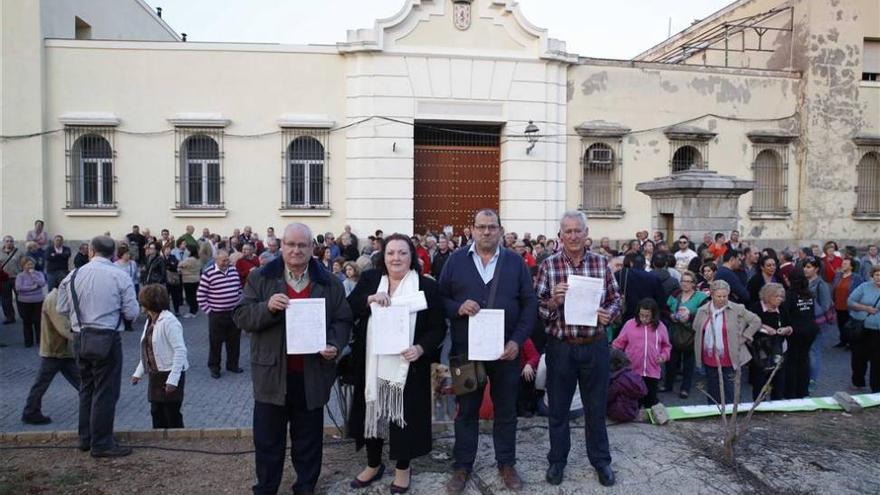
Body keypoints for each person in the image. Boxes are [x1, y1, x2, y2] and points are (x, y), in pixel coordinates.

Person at [233, 223, 352, 495]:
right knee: (267, 440)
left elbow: (343, 320)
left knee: (308, 441)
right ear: (280, 246)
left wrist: (334, 344)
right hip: (272, 375)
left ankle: (306, 487)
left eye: (302, 245)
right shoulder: (260, 278)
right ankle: (266, 488)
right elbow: (240, 316)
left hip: (310, 375)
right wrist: (267, 308)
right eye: (291, 244)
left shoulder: (328, 282)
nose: (296, 250)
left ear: (312, 248)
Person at [439, 209, 537, 493]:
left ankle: (506, 464)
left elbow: (529, 304)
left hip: (505, 353)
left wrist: (517, 341)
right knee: (465, 410)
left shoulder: (515, 263)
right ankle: (462, 467)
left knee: (506, 410)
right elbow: (440, 298)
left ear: (500, 230)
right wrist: (457, 307)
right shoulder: (455, 261)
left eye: (491, 227)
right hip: (465, 352)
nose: (486, 232)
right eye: (480, 227)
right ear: (471, 230)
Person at [346, 234, 445, 493]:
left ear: (411, 256)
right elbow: (349, 307)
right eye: (391, 253)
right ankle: (373, 464)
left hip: (408, 364)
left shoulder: (426, 286)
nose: (396, 258)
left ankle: (403, 468)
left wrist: (420, 348)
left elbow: (437, 328)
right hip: (372, 362)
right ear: (383, 256)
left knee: (403, 415)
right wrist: (369, 300)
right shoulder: (369, 280)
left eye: (402, 252)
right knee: (373, 412)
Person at [534, 210, 619, 488]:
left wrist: (609, 313)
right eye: (567, 231)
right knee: (558, 409)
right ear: (560, 236)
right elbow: (539, 308)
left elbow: (616, 298)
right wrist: (553, 304)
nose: (572, 236)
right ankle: (557, 461)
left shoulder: (601, 264)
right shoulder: (549, 266)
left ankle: (601, 461)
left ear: (586, 234)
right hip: (562, 348)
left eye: (577, 230)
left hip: (594, 346)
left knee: (595, 409)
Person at [56, 235, 139, 457]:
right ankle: (101, 442)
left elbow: (61, 308)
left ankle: (86, 438)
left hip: (80, 335)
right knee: (105, 391)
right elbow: (132, 313)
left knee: (86, 387)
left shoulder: (73, 275)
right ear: (113, 254)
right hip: (108, 337)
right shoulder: (119, 276)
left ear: (91, 251)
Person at [692, 280, 762, 405]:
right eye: (719, 296)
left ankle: (731, 415)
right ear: (712, 295)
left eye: (725, 296)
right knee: (713, 388)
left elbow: (756, 321)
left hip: (731, 356)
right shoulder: (702, 310)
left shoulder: (737, 308)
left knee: (730, 389)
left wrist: (745, 336)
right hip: (710, 355)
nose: (722, 299)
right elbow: (696, 327)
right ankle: (713, 412)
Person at [21, 284, 81, 424]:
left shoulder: (58, 297)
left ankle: (94, 403)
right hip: (55, 350)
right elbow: (63, 327)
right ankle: (30, 411)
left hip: (62, 350)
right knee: (42, 383)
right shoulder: (54, 299)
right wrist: (80, 338)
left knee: (80, 380)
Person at [131, 284, 188, 429]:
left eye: (142, 301)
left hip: (170, 373)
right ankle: (160, 441)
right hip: (156, 374)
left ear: (149, 303)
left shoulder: (169, 322)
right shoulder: (150, 321)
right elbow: (147, 349)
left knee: (171, 415)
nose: (140, 304)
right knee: (156, 412)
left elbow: (180, 351)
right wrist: (139, 373)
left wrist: (173, 380)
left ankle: (176, 444)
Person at [612, 298, 671, 408]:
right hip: (633, 371)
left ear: (654, 315)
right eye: (641, 315)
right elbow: (618, 343)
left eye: (647, 316)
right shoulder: (630, 324)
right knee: (634, 402)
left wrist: (663, 357)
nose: (644, 318)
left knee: (650, 401)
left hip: (652, 371)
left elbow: (666, 346)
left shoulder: (661, 327)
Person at [197, 249, 242, 379]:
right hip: (216, 314)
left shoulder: (233, 270)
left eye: (227, 259)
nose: (226, 262)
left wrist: (239, 305)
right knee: (215, 343)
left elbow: (239, 289)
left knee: (234, 341)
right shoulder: (208, 273)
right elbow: (200, 296)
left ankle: (232, 365)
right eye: (223, 260)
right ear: (216, 260)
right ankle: (214, 368)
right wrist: (209, 312)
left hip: (233, 313)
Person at [663, 270, 709, 399]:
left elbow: (705, 314)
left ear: (694, 283)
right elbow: (665, 309)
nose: (685, 284)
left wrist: (690, 316)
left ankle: (685, 388)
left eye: (688, 282)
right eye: (683, 281)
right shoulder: (675, 294)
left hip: (690, 334)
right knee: (671, 361)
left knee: (688, 363)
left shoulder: (701, 297)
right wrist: (670, 315)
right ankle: (668, 384)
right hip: (675, 332)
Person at [747, 283, 791, 401]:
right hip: (761, 351)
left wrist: (787, 329)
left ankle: (777, 405)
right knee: (759, 381)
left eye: (781, 297)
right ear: (767, 296)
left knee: (779, 380)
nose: (780, 299)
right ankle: (758, 406)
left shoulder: (782, 308)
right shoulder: (755, 308)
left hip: (779, 349)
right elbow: (747, 325)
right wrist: (763, 327)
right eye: (776, 296)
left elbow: (790, 325)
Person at [784, 268, 819, 398]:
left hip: (796, 331)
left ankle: (791, 392)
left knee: (792, 361)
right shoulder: (808, 293)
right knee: (804, 360)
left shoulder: (790, 294)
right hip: (810, 329)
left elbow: (787, 314)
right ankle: (803, 390)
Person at [847, 265, 880, 393]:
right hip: (862, 328)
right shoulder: (864, 287)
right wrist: (866, 308)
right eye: (877, 275)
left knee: (877, 360)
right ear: (872, 276)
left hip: (878, 332)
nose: (879, 278)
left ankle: (876, 387)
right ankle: (858, 381)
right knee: (859, 357)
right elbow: (850, 301)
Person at [803, 257, 833, 390]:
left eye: (809, 267)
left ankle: (812, 380)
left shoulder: (821, 284)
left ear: (816, 269)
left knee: (814, 352)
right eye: (804, 266)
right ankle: (804, 377)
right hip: (803, 323)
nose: (805, 269)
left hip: (816, 323)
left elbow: (826, 305)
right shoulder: (803, 282)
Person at [606, 348, 647, 423]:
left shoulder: (617, 379)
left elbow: (607, 397)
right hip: (633, 412)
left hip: (617, 413)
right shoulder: (634, 375)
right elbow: (644, 391)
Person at [832, 258, 865, 348]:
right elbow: (834, 288)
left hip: (850, 306)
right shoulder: (838, 275)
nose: (843, 265)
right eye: (843, 263)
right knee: (840, 324)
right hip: (838, 304)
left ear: (851, 267)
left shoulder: (857, 278)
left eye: (845, 264)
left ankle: (851, 343)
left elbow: (861, 291)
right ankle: (843, 341)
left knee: (850, 325)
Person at [15, 256, 47, 347]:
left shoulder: (39, 273)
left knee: (38, 321)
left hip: (38, 300)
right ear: (23, 266)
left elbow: (42, 283)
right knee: (27, 321)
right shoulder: (20, 276)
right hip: (24, 302)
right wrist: (32, 288)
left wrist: (33, 276)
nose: (30, 266)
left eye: (31, 264)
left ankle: (40, 341)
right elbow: (18, 288)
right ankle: (28, 342)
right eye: (27, 264)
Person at [1, 236, 23, 324]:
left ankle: (24, 315)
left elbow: (24, 263)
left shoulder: (19, 252)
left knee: (20, 298)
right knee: (6, 299)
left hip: (16, 278)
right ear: (4, 242)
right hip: (4, 279)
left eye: (11, 241)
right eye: (7, 241)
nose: (9, 243)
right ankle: (9, 317)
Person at [178, 245, 202, 319]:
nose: (186, 251)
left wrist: (181, 266)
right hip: (196, 279)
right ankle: (194, 310)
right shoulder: (197, 258)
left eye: (187, 250)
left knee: (190, 296)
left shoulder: (190, 259)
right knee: (193, 295)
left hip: (189, 280)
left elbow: (180, 264)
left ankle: (192, 311)